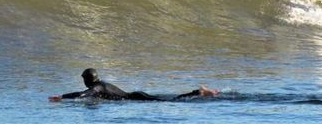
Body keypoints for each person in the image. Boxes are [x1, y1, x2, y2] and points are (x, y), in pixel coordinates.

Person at [48, 68, 219, 101]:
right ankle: (198, 92)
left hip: (135, 98)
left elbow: (82, 94)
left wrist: (62, 97)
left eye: (83, 78)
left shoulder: (96, 88)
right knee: (168, 99)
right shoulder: (101, 83)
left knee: (170, 101)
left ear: (87, 79)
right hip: (135, 95)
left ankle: (199, 92)